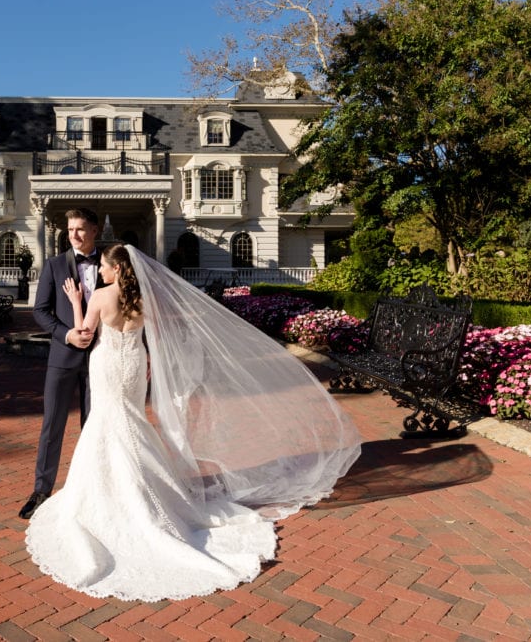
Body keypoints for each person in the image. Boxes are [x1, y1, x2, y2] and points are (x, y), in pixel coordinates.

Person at [25, 244, 362, 601]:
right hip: (136, 365)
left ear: (115, 269)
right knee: (132, 420)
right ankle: (145, 488)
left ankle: (121, 495)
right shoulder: (142, 299)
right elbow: (151, 337)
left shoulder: (101, 296)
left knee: (107, 422)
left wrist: (77, 301)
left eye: (105, 268)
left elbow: (84, 336)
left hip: (108, 365)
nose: (101, 272)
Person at [20, 208, 103, 520]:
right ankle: (42, 490)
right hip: (62, 357)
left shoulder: (110, 263)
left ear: (95, 229)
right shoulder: (55, 265)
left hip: (100, 357)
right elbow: (40, 311)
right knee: (52, 425)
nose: (74, 235)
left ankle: (92, 488)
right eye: (70, 230)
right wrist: (67, 335)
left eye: (81, 229)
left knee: (94, 426)